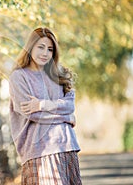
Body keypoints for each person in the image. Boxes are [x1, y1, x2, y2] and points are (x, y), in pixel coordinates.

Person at [9, 27, 82, 184]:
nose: (45, 53)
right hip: (40, 150)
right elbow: (32, 114)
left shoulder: (58, 74)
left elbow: (69, 105)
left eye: (50, 49)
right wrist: (66, 117)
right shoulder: (19, 77)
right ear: (30, 47)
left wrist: (42, 104)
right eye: (40, 47)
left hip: (67, 146)